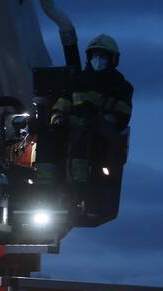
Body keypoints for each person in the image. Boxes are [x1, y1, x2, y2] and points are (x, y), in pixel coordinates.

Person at [50, 34, 134, 183]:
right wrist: (57, 117)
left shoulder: (121, 87)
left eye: (103, 56)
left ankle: (80, 188)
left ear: (113, 59)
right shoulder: (77, 81)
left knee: (84, 143)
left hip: (101, 138)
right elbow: (63, 103)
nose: (98, 60)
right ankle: (48, 184)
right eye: (95, 56)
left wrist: (98, 122)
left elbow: (122, 115)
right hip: (71, 129)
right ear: (89, 57)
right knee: (48, 140)